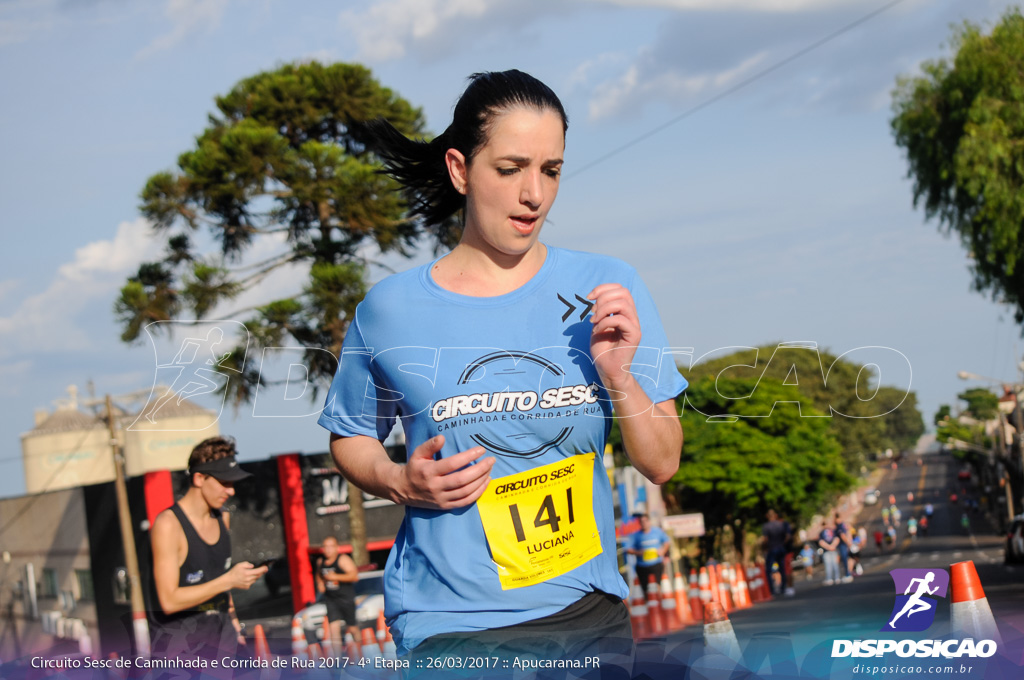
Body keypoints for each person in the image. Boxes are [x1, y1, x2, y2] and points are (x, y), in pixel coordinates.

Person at [317, 70, 686, 664]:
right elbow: (351, 435)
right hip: (452, 626)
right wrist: (397, 481)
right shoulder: (390, 311)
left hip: (588, 614)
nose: (534, 194)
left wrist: (620, 376)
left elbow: (662, 462)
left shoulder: (606, 289)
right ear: (461, 170)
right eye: (511, 169)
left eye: (552, 170)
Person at [149, 436, 267, 661]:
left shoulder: (223, 517)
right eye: (225, 482)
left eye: (233, 483)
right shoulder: (168, 525)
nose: (231, 491)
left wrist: (235, 626)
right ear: (199, 478)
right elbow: (169, 601)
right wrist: (229, 580)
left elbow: (221, 584)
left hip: (225, 643)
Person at [315, 536, 361, 655]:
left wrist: (336, 577)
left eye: (331, 546)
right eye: (325, 546)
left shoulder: (343, 559)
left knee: (352, 628)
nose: (328, 549)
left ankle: (362, 651)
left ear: (337, 548)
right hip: (331, 599)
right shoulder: (321, 562)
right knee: (333, 627)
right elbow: (319, 575)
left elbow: (354, 576)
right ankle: (337, 659)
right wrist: (320, 584)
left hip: (346, 598)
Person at [625, 513, 671, 588]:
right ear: (639, 523)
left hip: (656, 564)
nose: (644, 523)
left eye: (645, 521)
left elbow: (667, 542)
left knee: (657, 586)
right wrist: (638, 552)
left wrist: (663, 550)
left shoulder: (657, 531)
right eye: (642, 522)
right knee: (646, 589)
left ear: (649, 521)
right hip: (642, 566)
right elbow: (627, 549)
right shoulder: (636, 535)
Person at [761, 510, 794, 596]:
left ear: (767, 516)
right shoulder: (781, 524)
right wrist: (782, 544)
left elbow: (765, 539)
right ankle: (783, 588)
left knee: (768, 570)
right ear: (775, 515)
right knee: (782, 569)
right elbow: (788, 536)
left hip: (772, 549)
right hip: (781, 548)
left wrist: (765, 547)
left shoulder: (766, 526)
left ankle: (771, 590)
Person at [818, 521, 840, 586]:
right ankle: (834, 578)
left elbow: (821, 542)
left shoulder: (824, 532)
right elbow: (836, 539)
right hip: (830, 550)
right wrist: (831, 547)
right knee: (831, 565)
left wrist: (830, 547)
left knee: (832, 565)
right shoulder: (831, 531)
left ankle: (832, 578)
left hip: (829, 550)